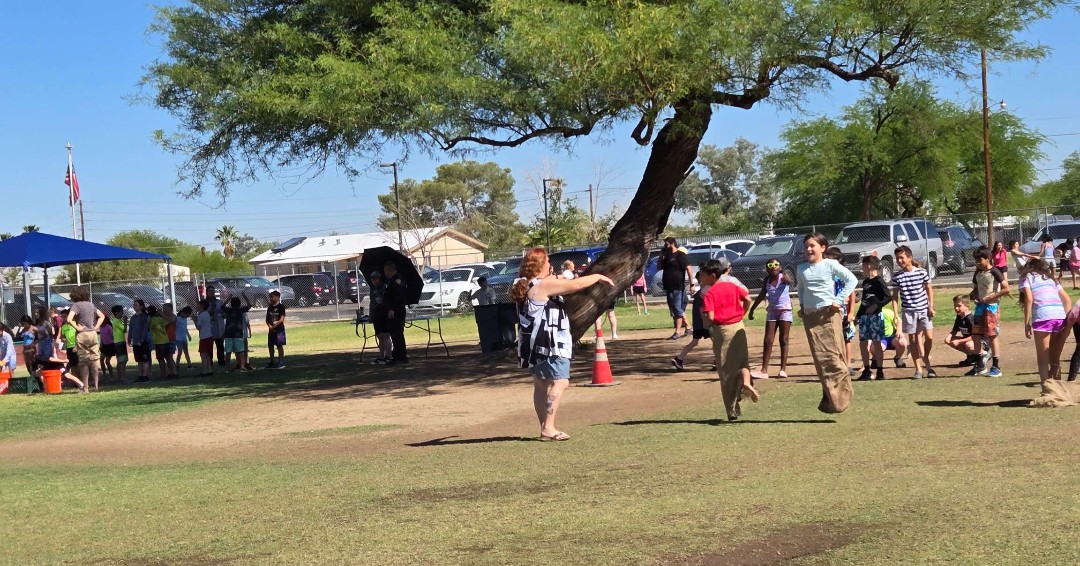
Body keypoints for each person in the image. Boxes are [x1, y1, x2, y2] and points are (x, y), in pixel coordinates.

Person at [513, 247, 614, 441]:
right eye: (549, 261)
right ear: (541, 265)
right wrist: (597, 276)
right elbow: (575, 285)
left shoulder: (527, 284)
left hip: (532, 346)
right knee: (561, 382)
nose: (551, 264)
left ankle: (545, 428)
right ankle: (548, 428)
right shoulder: (544, 285)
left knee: (541, 385)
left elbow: (567, 282)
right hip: (550, 344)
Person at [797, 233, 857, 413]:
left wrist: (838, 300)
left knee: (832, 356)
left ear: (822, 248)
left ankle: (842, 395)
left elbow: (852, 280)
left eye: (812, 246)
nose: (808, 249)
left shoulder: (830, 264)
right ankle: (831, 398)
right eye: (806, 246)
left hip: (829, 314)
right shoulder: (801, 268)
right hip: (810, 317)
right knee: (819, 358)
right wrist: (801, 305)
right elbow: (800, 288)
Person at [701, 258, 760, 420]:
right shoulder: (732, 286)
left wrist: (706, 323)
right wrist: (741, 314)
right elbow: (748, 299)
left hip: (723, 330)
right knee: (742, 362)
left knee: (726, 370)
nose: (700, 278)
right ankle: (746, 383)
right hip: (738, 326)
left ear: (712, 276)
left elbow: (710, 317)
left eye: (703, 275)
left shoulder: (710, 293)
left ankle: (731, 410)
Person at [1020, 258, 1071, 382]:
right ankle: (1059, 389)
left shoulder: (1027, 278)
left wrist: (1027, 323)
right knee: (1054, 359)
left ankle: (1046, 389)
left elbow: (1028, 299)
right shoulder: (1051, 279)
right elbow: (1067, 300)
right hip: (1059, 316)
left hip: (1043, 316)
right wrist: (1068, 323)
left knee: (1042, 358)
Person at [891, 245, 936, 379]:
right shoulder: (897, 277)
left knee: (929, 337)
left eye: (902, 258)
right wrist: (895, 313)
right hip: (908, 311)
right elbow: (894, 296)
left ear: (910, 258)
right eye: (897, 258)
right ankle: (918, 369)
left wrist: (931, 306)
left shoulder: (921, 272)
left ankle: (926, 357)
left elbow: (929, 289)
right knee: (913, 339)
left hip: (923, 309)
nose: (899, 261)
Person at [966, 246, 1009, 377]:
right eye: (976, 260)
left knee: (992, 336)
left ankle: (996, 367)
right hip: (980, 307)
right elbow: (976, 288)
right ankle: (980, 366)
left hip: (991, 307)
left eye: (980, 260)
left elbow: (1006, 289)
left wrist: (991, 297)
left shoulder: (995, 272)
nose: (978, 263)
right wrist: (973, 296)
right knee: (976, 335)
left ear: (988, 258)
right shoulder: (977, 273)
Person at [747, 259, 792, 379]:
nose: (773, 267)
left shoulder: (783, 278)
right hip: (772, 310)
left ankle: (782, 369)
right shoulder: (767, 280)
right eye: (770, 265)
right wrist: (752, 309)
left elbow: (789, 281)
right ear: (767, 268)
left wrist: (785, 274)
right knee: (768, 340)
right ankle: (764, 370)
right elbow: (762, 295)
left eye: (776, 265)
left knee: (784, 339)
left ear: (780, 267)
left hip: (784, 310)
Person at [855, 255, 891, 381]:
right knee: (863, 343)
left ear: (869, 265)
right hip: (865, 318)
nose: (862, 268)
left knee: (876, 343)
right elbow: (864, 301)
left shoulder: (879, 280)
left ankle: (880, 370)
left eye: (863, 265)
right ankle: (866, 369)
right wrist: (858, 316)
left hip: (875, 316)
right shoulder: (865, 282)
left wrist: (876, 307)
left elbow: (888, 297)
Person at [67, 286, 105, 391]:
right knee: (94, 361)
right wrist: (96, 327)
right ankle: (97, 386)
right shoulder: (91, 305)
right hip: (93, 334)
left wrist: (78, 328)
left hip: (82, 335)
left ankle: (86, 388)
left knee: (83, 362)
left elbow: (69, 319)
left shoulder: (76, 305)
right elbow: (102, 316)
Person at [671, 270, 711, 371]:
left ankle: (679, 358)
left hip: (698, 323)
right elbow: (703, 310)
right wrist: (706, 322)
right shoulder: (704, 293)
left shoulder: (699, 294)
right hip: (704, 322)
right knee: (716, 341)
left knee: (695, 341)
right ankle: (719, 361)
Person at [825, 247, 857, 370]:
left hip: (842, 309)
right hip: (830, 309)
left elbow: (852, 294)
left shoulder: (843, 273)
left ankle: (848, 364)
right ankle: (837, 364)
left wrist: (851, 312)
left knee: (846, 338)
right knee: (833, 338)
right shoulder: (826, 274)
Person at [659, 237, 694, 339]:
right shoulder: (667, 256)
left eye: (666, 244)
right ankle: (688, 327)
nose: (665, 246)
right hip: (669, 287)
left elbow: (689, 268)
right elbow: (659, 267)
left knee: (677, 308)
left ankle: (678, 332)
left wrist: (692, 284)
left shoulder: (680, 255)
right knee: (674, 308)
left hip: (678, 287)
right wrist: (661, 255)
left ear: (672, 244)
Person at [383, 261, 408, 365]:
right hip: (393, 310)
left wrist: (392, 309)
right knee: (394, 334)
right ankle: (397, 356)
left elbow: (398, 297)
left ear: (389, 270)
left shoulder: (398, 280)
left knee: (397, 334)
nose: (384, 273)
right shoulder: (391, 281)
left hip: (397, 311)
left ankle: (401, 357)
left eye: (385, 270)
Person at [945, 295, 981, 366]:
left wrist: (959, 341)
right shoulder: (959, 316)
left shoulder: (970, 318)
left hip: (979, 341)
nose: (956, 308)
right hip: (969, 340)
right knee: (949, 340)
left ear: (967, 306)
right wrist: (948, 337)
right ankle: (971, 356)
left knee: (969, 345)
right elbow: (955, 330)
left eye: (959, 306)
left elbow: (975, 336)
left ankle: (980, 355)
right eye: (955, 306)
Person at [368, 271, 394, 364]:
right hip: (376, 315)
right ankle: (381, 356)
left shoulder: (385, 288)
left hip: (384, 315)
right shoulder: (372, 289)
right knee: (380, 336)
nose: (374, 281)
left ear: (380, 279)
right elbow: (372, 303)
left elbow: (388, 302)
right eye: (372, 279)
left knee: (386, 336)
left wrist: (381, 300)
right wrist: (370, 315)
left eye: (376, 278)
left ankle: (389, 356)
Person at [222, 297, 252, 372]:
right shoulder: (240, 310)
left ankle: (227, 368)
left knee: (228, 352)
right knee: (241, 351)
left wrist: (228, 298)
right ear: (239, 304)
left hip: (228, 334)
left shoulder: (228, 310)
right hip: (238, 334)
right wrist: (244, 296)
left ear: (231, 304)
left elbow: (222, 306)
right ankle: (242, 367)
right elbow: (249, 305)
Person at [149, 305, 175, 380]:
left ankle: (163, 374)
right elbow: (167, 322)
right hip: (165, 340)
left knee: (160, 359)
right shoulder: (160, 318)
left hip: (159, 342)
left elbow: (148, 328)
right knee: (167, 358)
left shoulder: (153, 319)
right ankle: (171, 372)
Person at [129, 299, 152, 383]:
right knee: (139, 360)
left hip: (143, 342)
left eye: (136, 305)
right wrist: (129, 338)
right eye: (134, 305)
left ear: (141, 306)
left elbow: (145, 329)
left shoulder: (144, 317)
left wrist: (141, 340)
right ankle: (141, 375)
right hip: (135, 342)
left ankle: (146, 376)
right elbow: (131, 329)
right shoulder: (133, 317)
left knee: (145, 359)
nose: (134, 306)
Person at [265, 290, 287, 369]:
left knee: (279, 345)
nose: (270, 299)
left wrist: (274, 327)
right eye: (270, 297)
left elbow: (281, 319)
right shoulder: (270, 307)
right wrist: (269, 326)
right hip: (271, 330)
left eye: (272, 297)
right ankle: (272, 361)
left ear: (277, 297)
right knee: (270, 345)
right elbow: (267, 319)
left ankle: (280, 361)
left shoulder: (281, 307)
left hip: (279, 329)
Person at [207, 286, 226, 367]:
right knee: (209, 347)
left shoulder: (219, 302)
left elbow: (224, 313)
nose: (212, 292)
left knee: (220, 346)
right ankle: (209, 362)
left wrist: (223, 313)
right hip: (209, 328)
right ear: (207, 292)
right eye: (210, 291)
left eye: (213, 291)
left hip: (219, 327)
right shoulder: (205, 303)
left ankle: (221, 361)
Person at [195, 299, 215, 376]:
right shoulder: (207, 314)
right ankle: (209, 370)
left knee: (203, 354)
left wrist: (194, 320)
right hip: (209, 336)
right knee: (207, 354)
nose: (197, 306)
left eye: (198, 305)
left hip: (203, 337)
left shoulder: (200, 315)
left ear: (202, 306)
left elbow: (198, 327)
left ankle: (204, 371)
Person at [111, 305, 129, 384]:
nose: (122, 313)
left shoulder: (116, 320)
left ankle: (120, 377)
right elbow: (124, 330)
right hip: (120, 342)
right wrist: (125, 321)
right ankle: (123, 377)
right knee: (123, 361)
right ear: (117, 312)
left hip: (118, 342)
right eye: (121, 311)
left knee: (120, 361)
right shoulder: (116, 321)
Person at [99, 315, 115, 383]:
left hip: (110, 346)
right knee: (101, 359)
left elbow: (113, 336)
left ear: (105, 320)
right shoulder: (101, 327)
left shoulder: (108, 327)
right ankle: (105, 375)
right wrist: (101, 344)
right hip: (104, 346)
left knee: (107, 362)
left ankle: (111, 376)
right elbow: (102, 337)